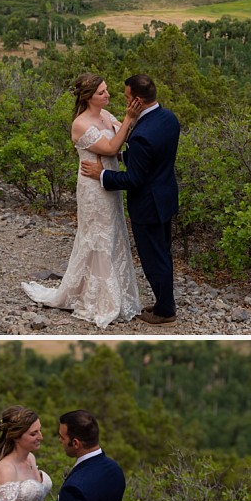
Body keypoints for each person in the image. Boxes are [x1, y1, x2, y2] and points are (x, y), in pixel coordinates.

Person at [23, 73, 141, 328]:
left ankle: (113, 291)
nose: (108, 95)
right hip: (92, 187)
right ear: (88, 97)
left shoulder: (106, 116)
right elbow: (110, 148)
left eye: (107, 90)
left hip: (108, 181)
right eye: (102, 92)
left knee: (112, 232)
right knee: (96, 235)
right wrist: (129, 120)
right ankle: (97, 297)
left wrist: (127, 128)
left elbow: (122, 142)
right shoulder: (80, 123)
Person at [80, 74, 180, 325]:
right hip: (166, 197)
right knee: (163, 253)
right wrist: (126, 158)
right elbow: (152, 159)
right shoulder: (168, 118)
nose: (123, 101)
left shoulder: (141, 134)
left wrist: (102, 174)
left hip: (148, 205)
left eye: (126, 97)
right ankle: (164, 302)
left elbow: (133, 180)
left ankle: (165, 312)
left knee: (153, 259)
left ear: (136, 100)